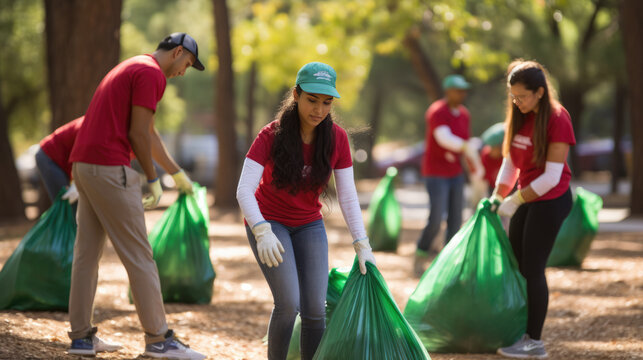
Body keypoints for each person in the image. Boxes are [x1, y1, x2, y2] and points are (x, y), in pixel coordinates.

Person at [65, 33, 206, 360]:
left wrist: (174, 172)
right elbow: (137, 133)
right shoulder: (151, 74)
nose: (184, 72)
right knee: (140, 255)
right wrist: (152, 178)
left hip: (84, 166)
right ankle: (159, 339)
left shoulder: (134, 66)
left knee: (86, 253)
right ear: (178, 53)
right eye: (187, 64)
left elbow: (149, 131)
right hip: (108, 168)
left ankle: (81, 338)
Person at [236, 62, 377, 360]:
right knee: (288, 304)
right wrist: (261, 230)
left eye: (327, 102)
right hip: (269, 221)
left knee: (315, 310)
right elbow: (243, 190)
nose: (319, 109)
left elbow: (348, 196)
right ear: (296, 95)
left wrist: (361, 242)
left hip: (309, 224)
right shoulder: (271, 135)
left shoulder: (337, 138)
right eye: (312, 99)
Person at [492, 60, 575, 359]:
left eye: (523, 96)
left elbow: (552, 176)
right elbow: (511, 162)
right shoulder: (519, 114)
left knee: (533, 268)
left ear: (540, 92)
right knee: (518, 264)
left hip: (552, 199)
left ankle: (534, 342)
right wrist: (497, 195)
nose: (516, 101)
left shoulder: (557, 118)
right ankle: (518, 330)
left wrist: (514, 200)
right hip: (527, 197)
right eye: (513, 95)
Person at [414, 74, 482, 276]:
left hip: (455, 173)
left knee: (455, 219)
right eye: (458, 90)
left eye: (464, 90)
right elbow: (444, 138)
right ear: (448, 91)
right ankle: (420, 254)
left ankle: (448, 263)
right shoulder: (437, 111)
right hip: (435, 173)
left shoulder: (464, 114)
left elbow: (465, 145)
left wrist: (474, 167)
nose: (462, 94)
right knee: (436, 217)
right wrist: (465, 147)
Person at [35, 117, 83, 204]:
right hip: (48, 156)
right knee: (64, 202)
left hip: (60, 160)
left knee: (72, 200)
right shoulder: (87, 125)